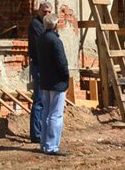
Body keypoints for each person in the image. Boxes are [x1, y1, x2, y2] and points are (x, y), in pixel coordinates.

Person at [35, 12, 69, 156]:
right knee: (56, 115)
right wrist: (66, 76)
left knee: (46, 113)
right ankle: (52, 146)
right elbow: (62, 62)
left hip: (45, 81)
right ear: (56, 25)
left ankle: (44, 144)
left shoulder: (41, 39)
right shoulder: (55, 41)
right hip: (56, 82)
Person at [27, 1, 54, 143]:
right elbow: (42, 46)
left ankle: (42, 130)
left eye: (49, 12)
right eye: (45, 11)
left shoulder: (47, 26)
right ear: (39, 11)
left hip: (46, 66)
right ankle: (36, 134)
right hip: (39, 65)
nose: (47, 14)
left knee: (45, 100)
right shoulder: (36, 25)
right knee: (38, 100)